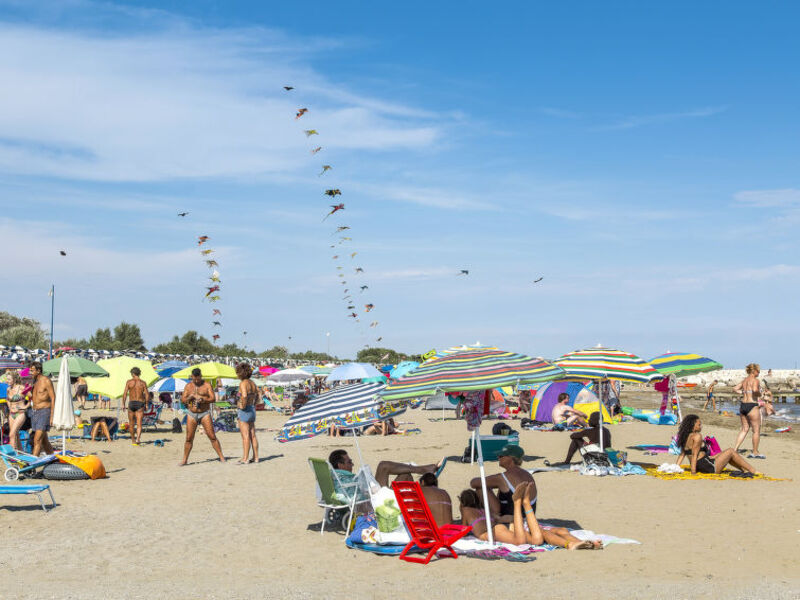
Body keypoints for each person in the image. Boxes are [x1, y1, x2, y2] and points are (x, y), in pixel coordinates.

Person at [458, 483, 600, 549]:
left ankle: (518, 503)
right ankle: (576, 542)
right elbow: (500, 519)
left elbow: (463, 531)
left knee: (526, 540)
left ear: (462, 502)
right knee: (545, 535)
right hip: (502, 526)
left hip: (492, 532)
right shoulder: (484, 510)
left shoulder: (465, 510)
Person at [469, 444, 534, 523]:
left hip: (512, 519)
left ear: (511, 458)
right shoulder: (527, 474)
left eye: (501, 456)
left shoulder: (503, 477)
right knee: (487, 486)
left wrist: (491, 485)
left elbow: (473, 483)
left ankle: (494, 517)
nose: (498, 458)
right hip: (529, 517)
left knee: (481, 488)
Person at [676, 414, 760, 475]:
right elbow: (694, 455)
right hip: (708, 467)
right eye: (699, 424)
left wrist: (675, 468)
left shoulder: (685, 437)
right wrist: (693, 473)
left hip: (702, 464)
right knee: (731, 451)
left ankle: (744, 470)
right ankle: (753, 470)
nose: (700, 426)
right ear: (692, 425)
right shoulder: (697, 436)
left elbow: (682, 455)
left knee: (724, 455)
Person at [180, 368, 225, 465]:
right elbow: (182, 400)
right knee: (189, 438)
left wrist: (203, 399)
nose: (196, 381)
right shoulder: (188, 386)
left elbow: (213, 398)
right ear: (192, 377)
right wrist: (189, 398)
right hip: (192, 413)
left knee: (212, 436)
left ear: (201, 376)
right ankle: (184, 460)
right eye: (194, 379)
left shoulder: (207, 385)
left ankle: (221, 456)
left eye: (198, 379)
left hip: (204, 413)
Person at [733, 363, 765, 459]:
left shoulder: (744, 380)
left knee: (744, 429)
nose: (759, 373)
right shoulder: (755, 380)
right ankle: (755, 452)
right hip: (752, 406)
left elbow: (735, 389)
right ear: (754, 371)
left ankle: (735, 450)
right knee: (756, 430)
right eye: (758, 371)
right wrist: (760, 394)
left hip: (743, 406)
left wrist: (744, 392)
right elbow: (755, 390)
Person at [28, 361, 54, 456]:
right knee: (44, 441)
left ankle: (32, 465)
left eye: (32, 371)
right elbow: (36, 397)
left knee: (37, 440)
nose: (30, 372)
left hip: (44, 412)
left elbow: (53, 398)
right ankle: (54, 458)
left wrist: (51, 416)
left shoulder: (46, 381)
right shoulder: (35, 382)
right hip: (34, 413)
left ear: (38, 371)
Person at [235, 363, 259, 464]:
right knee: (252, 435)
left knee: (245, 436)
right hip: (252, 409)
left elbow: (244, 395)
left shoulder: (243, 383)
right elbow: (258, 394)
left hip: (245, 410)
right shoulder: (253, 383)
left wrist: (242, 406)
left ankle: (245, 458)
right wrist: (254, 403)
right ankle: (256, 457)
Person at [123, 367, 149, 445]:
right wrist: (147, 404)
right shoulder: (143, 383)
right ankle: (138, 439)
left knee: (131, 423)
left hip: (131, 403)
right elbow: (147, 395)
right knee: (139, 423)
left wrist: (123, 404)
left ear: (133, 373)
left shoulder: (129, 382)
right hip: (140, 403)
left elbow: (124, 394)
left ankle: (133, 440)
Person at [5, 371, 30, 451]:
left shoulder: (22, 388)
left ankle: (14, 456)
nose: (7, 381)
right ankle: (20, 452)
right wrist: (9, 406)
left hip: (20, 414)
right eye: (7, 379)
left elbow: (31, 398)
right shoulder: (8, 389)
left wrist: (25, 407)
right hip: (11, 414)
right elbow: (7, 399)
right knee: (16, 435)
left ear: (14, 379)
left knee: (11, 434)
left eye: (9, 379)